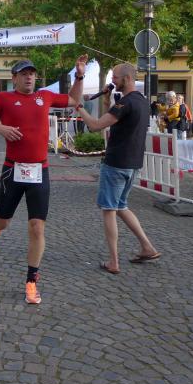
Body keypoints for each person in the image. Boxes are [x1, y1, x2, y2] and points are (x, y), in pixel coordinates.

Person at [0, 55, 87, 304]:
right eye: (24, 74)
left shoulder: (44, 96)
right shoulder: (4, 99)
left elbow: (73, 100)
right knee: (3, 222)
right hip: (12, 170)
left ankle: (31, 281)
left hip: (39, 171)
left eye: (32, 73)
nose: (29, 77)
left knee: (37, 227)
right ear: (14, 78)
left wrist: (79, 75)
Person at [70, 61, 160, 275]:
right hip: (133, 163)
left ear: (127, 79)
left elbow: (95, 126)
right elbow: (113, 119)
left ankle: (113, 261)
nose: (112, 81)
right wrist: (107, 99)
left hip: (116, 163)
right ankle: (147, 247)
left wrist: (79, 108)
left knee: (109, 210)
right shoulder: (140, 101)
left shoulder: (125, 103)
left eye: (115, 78)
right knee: (121, 206)